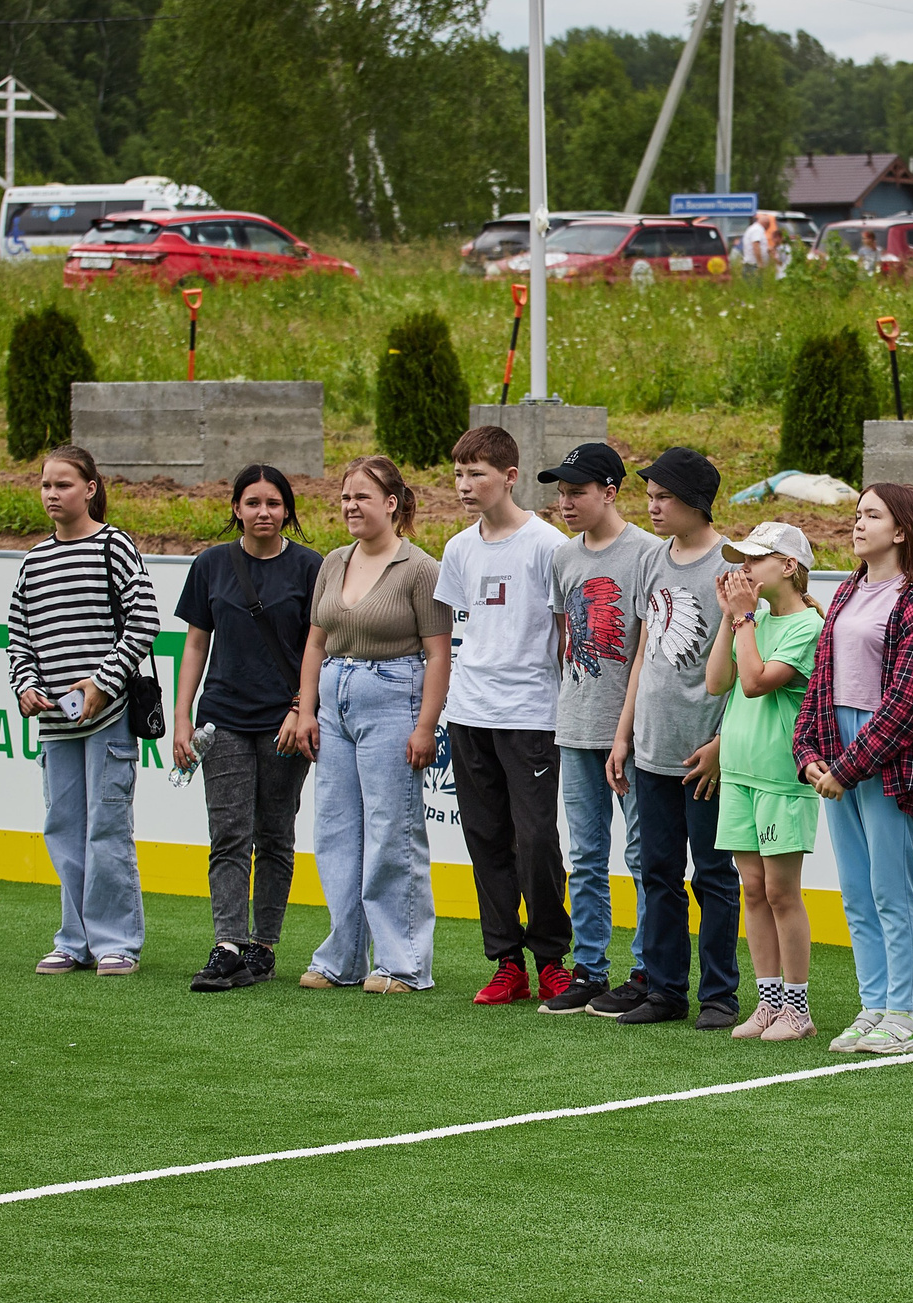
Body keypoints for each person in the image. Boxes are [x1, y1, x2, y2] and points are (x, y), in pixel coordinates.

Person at [282, 457, 453, 992]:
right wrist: (306, 709)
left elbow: (439, 656)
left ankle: (402, 963)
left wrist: (425, 726)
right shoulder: (333, 562)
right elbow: (315, 642)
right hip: (332, 703)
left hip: (393, 700)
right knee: (335, 832)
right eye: (344, 497)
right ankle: (341, 958)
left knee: (392, 833)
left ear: (392, 504)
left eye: (362, 496)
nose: (350, 506)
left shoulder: (421, 568)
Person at [795, 483, 913, 1055]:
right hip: (837, 752)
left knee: (890, 889)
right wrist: (809, 754)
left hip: (883, 762)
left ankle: (906, 1014)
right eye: (857, 514)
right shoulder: (845, 592)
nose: (858, 524)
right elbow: (819, 681)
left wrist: (847, 768)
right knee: (857, 892)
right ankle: (875, 1006)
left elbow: (909, 705)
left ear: (902, 530)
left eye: (872, 516)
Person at [433, 425, 573, 1004]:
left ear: (510, 477)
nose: (465, 486)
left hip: (532, 716)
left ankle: (551, 959)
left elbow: (568, 636)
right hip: (469, 714)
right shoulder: (458, 548)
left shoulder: (548, 544)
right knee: (485, 839)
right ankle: (506, 962)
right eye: (459, 474)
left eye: (478, 474)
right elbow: (457, 632)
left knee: (536, 841)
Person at [8, 444, 159, 978]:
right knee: (64, 826)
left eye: (64, 484)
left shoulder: (114, 546)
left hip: (109, 715)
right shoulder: (32, 560)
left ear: (90, 489)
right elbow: (18, 635)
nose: (52, 493)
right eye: (46, 484)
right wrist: (24, 685)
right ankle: (74, 940)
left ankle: (117, 941)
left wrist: (101, 684)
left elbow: (144, 621)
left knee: (106, 828)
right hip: (54, 723)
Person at [172, 465, 323, 992]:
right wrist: (182, 716)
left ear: (288, 511)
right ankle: (228, 944)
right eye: (253, 502)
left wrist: (301, 706)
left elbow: (317, 648)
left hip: (287, 721)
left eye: (274, 503)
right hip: (224, 717)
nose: (264, 512)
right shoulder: (211, 564)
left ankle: (264, 946)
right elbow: (195, 644)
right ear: (235, 507)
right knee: (228, 834)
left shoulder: (310, 567)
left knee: (275, 834)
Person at [606, 447, 743, 1028]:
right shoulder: (650, 560)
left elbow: (743, 661)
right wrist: (623, 736)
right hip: (652, 748)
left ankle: (720, 994)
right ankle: (664, 990)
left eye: (664, 497)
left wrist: (723, 744)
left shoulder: (732, 567)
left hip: (704, 753)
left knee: (713, 875)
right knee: (657, 872)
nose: (653, 507)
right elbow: (642, 655)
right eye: (651, 496)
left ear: (695, 501)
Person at [538, 442, 659, 1012]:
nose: (564, 502)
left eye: (576, 491)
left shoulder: (648, 554)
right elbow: (566, 639)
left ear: (609, 491)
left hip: (633, 732)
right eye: (560, 492)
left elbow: (647, 651)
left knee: (642, 856)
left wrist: (625, 731)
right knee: (585, 856)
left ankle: (644, 969)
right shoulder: (562, 558)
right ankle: (589, 969)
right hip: (574, 724)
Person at [709, 520, 825, 1041]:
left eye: (757, 559)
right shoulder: (748, 622)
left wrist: (742, 621)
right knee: (752, 888)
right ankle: (768, 1000)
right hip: (738, 772)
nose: (744, 569)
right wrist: (728, 620)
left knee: (781, 891)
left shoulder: (807, 627)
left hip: (782, 776)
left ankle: (796, 1009)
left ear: (790, 567)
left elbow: (755, 684)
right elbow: (718, 683)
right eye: (743, 559)